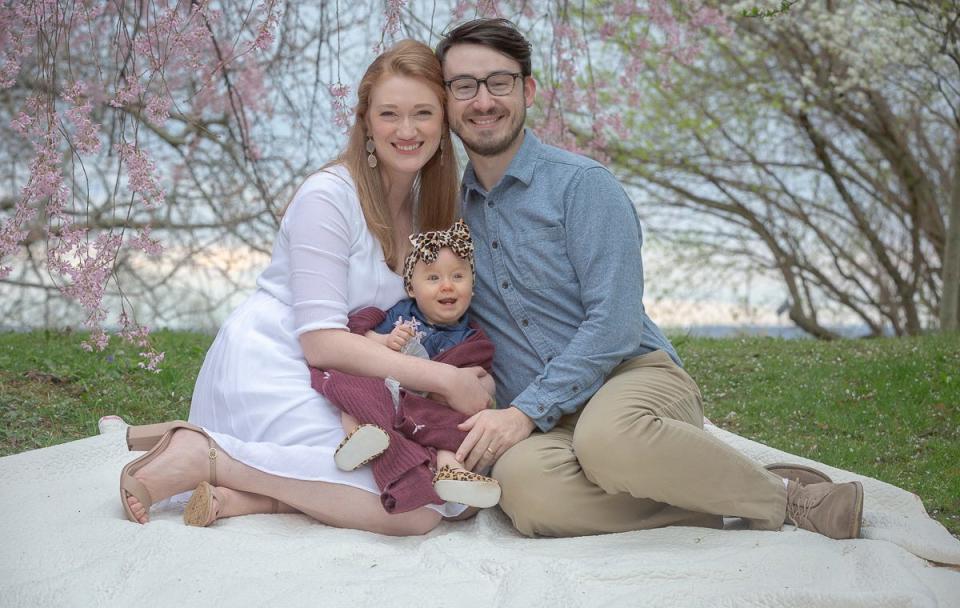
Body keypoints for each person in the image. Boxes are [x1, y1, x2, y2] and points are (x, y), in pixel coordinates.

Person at [434, 18, 864, 539]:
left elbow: (613, 325)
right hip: (553, 420)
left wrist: (524, 411)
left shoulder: (583, 187)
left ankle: (793, 498)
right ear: (448, 100)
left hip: (632, 378)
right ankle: (705, 493)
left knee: (608, 440)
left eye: (498, 82)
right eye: (464, 86)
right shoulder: (449, 217)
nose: (483, 101)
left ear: (527, 89)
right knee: (526, 494)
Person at [118, 39, 493, 535]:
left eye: (423, 113)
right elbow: (320, 341)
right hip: (281, 360)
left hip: (362, 381)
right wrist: (444, 381)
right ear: (365, 123)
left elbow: (432, 320)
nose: (407, 130)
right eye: (389, 114)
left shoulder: (430, 214)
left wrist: (472, 377)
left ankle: (243, 499)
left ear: (442, 127)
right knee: (413, 508)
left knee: (447, 492)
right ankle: (205, 455)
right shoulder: (329, 197)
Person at [310, 219, 501, 514]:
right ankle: (359, 436)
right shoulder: (400, 316)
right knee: (353, 388)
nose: (447, 285)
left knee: (456, 420)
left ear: (472, 289)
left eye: (458, 276)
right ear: (411, 288)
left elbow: (482, 376)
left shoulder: (471, 336)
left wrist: (478, 388)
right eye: (433, 278)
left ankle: (451, 471)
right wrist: (386, 340)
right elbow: (359, 337)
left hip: (430, 406)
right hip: (392, 390)